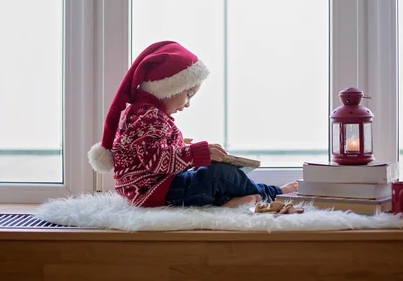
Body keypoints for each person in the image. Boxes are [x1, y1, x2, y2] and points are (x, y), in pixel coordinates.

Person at [88, 40, 297, 208]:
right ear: (166, 88)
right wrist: (195, 153)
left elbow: (149, 152)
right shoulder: (148, 117)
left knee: (209, 176)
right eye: (188, 95)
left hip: (150, 186)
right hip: (150, 191)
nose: (187, 104)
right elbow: (155, 161)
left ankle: (228, 203)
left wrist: (179, 147)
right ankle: (273, 193)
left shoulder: (145, 114)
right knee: (219, 175)